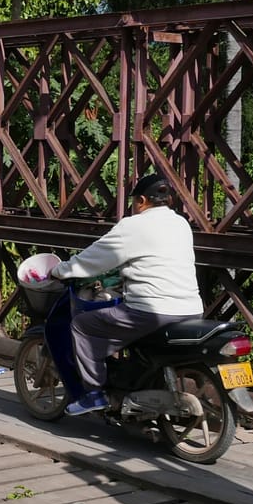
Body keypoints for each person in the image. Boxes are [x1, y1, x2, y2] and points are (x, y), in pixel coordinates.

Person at [51, 172, 203, 416]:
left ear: (142, 200)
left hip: (153, 312)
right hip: (191, 309)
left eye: (135, 202)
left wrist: (61, 270)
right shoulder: (181, 223)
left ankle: (93, 394)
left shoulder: (133, 225)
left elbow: (95, 257)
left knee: (82, 325)